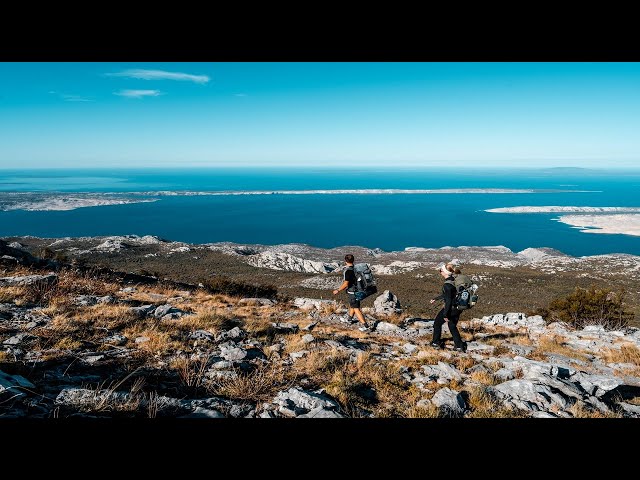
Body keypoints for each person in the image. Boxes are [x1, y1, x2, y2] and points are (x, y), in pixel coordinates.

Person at [429, 262, 467, 352]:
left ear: (445, 272)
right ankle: (459, 346)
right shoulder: (454, 280)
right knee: (452, 325)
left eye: (441, 270)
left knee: (437, 323)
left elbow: (449, 300)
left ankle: (436, 343)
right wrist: (436, 298)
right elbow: (448, 294)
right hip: (458, 307)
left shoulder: (447, 285)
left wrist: (446, 314)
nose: (440, 271)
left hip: (451, 308)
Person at [333, 254, 370, 331]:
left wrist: (338, 290)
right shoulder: (356, 269)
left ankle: (366, 326)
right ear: (353, 260)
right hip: (359, 290)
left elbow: (346, 283)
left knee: (356, 309)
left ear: (345, 261)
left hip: (353, 292)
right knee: (352, 305)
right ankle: (349, 319)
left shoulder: (348, 271)